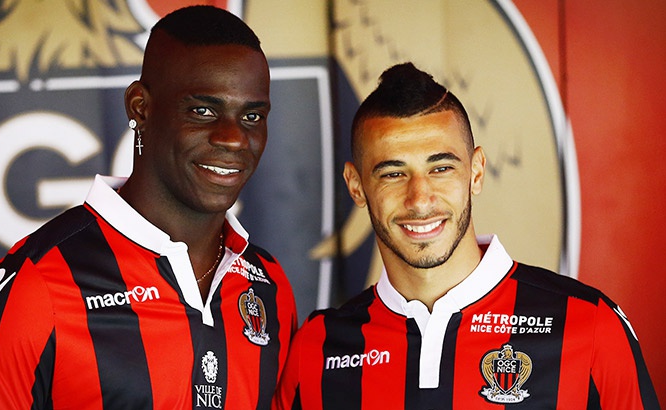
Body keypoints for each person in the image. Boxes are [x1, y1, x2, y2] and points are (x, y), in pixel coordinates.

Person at [0, 6, 297, 410]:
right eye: (203, 111)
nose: (233, 138)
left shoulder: (268, 284)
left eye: (251, 115)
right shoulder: (38, 283)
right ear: (140, 108)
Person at [272, 63, 659, 409]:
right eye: (393, 173)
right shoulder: (316, 349)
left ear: (476, 172)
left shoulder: (590, 326)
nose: (420, 199)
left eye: (441, 169)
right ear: (356, 186)